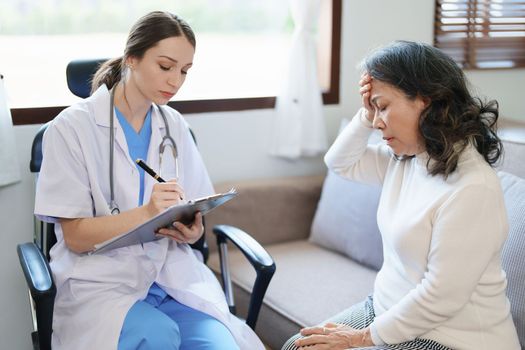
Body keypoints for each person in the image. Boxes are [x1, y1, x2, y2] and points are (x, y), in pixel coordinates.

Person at [34, 11, 264, 350]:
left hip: (170, 274)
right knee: (159, 336)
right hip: (100, 282)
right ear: (132, 58)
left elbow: (193, 209)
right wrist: (146, 213)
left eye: (185, 71)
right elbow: (76, 237)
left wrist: (193, 230)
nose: (176, 81)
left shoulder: (174, 126)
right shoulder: (71, 128)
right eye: (166, 66)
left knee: (222, 345)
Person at [282, 41, 521, 350]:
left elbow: (441, 297)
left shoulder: (473, 188)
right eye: (374, 109)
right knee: (296, 347)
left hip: (451, 337)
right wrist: (366, 115)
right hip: (387, 308)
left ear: (425, 99)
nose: (377, 121)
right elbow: (339, 163)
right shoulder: (408, 160)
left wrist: (361, 338)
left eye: (383, 107)